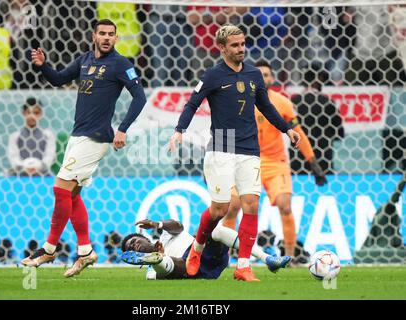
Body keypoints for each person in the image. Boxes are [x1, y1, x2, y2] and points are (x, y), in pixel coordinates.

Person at [169, 24, 300, 281]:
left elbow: (266, 106)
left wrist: (287, 130)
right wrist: (179, 130)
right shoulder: (212, 76)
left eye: (242, 44)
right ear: (222, 48)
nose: (241, 49)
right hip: (222, 147)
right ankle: (196, 249)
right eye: (235, 45)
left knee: (251, 204)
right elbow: (192, 103)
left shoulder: (253, 75)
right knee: (220, 210)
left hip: (250, 148)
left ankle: (243, 266)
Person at [21, 19, 147, 278]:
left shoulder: (120, 64)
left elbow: (140, 96)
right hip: (78, 135)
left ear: (116, 38)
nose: (107, 38)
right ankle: (85, 251)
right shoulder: (85, 60)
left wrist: (122, 128)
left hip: (96, 137)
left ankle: (49, 248)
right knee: (73, 195)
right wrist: (43, 65)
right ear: (94, 35)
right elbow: (57, 79)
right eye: (102, 33)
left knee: (60, 188)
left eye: (111, 34)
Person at [222, 60, 327, 261]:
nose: (263, 77)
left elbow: (298, 132)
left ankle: (290, 257)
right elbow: (222, 128)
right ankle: (224, 258)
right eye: (259, 73)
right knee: (232, 206)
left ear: (272, 78)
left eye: (267, 74)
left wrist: (313, 163)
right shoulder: (236, 101)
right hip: (244, 159)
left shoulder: (282, 103)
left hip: (274, 162)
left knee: (285, 205)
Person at [121, 219, 291, 280]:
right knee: (167, 265)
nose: (133, 245)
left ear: (145, 237)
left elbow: (177, 226)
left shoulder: (165, 236)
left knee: (215, 230)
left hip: (202, 252)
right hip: (188, 269)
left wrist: (156, 224)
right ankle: (160, 259)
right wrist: (162, 258)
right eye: (131, 248)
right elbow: (156, 278)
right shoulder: (150, 271)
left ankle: (268, 259)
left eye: (135, 241)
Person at [290, 69, 345, 174]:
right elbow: (339, 133)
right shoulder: (328, 102)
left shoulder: (293, 101)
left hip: (298, 158)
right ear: (318, 80)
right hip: (322, 158)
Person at [7, 97, 56, 177]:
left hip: (42, 174)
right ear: (23, 114)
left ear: (41, 114)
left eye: (36, 113)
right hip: (20, 174)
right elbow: (13, 157)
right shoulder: (15, 136)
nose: (32, 116)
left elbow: (49, 156)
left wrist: (39, 167)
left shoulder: (48, 135)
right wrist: (24, 168)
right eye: (28, 112)